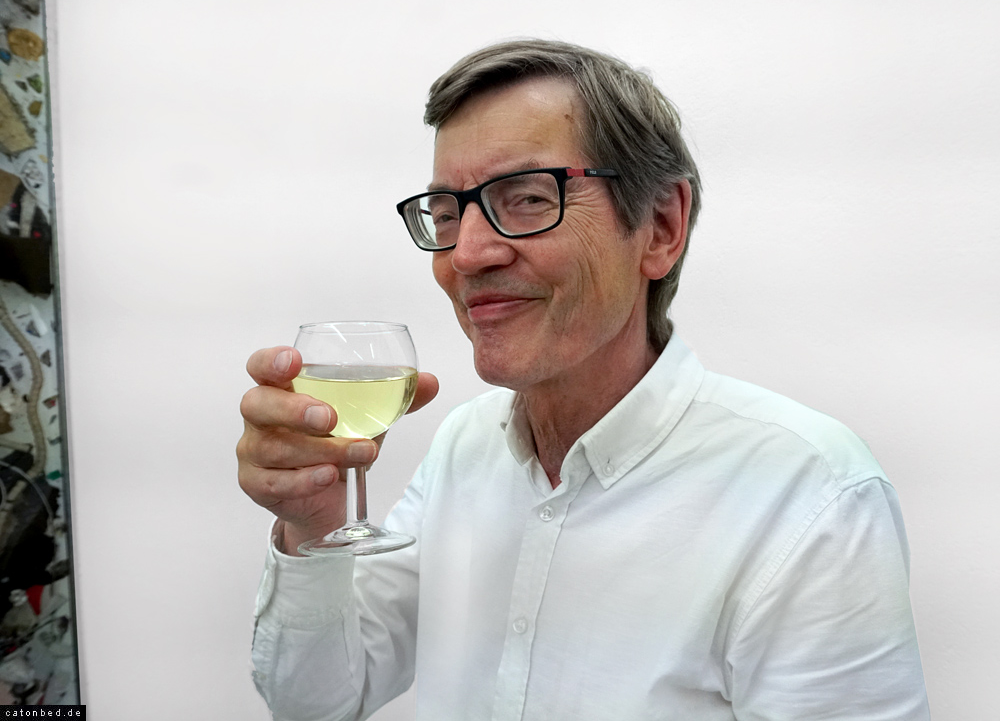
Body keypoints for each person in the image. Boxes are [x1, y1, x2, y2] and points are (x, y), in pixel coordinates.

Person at [239, 40, 929, 720]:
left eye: (527, 198)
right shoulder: (464, 446)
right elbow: (317, 702)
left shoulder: (809, 493)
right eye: (447, 213)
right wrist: (312, 527)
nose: (467, 254)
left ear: (660, 228)